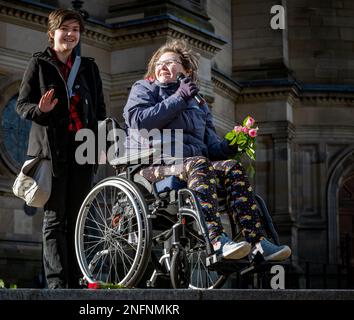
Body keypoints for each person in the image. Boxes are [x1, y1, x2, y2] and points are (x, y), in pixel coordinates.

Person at [123, 40, 291, 262]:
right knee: (198, 164)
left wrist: (232, 144)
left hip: (191, 165)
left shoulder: (199, 103)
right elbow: (139, 121)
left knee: (232, 168)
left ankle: (257, 242)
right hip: (153, 166)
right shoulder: (145, 88)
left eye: (171, 62)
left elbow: (211, 147)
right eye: (159, 63)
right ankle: (217, 241)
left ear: (186, 71)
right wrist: (178, 98)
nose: (163, 66)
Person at [16, 9, 106, 288]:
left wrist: (100, 145)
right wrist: (40, 110)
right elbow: (22, 106)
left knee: (78, 218)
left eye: (75, 30)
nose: (70, 34)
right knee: (55, 220)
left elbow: (100, 112)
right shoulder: (39, 64)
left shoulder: (88, 67)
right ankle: (57, 284)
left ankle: (77, 280)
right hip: (52, 151)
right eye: (65, 28)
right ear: (52, 32)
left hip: (83, 148)